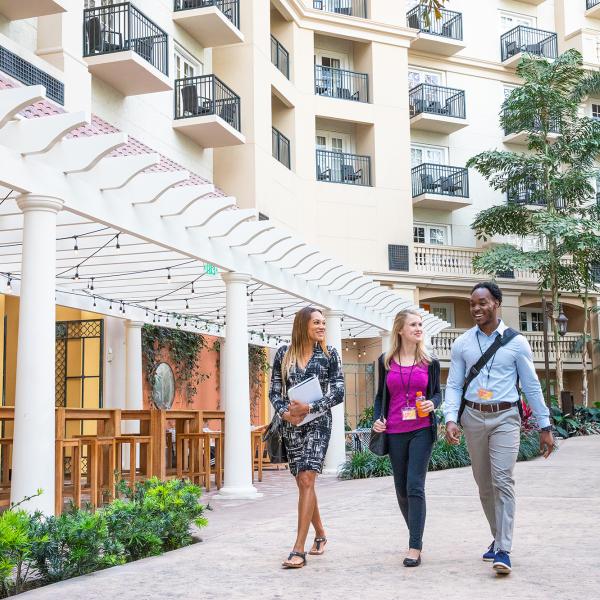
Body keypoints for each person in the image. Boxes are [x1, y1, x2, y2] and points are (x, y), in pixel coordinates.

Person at [444, 281, 555, 575]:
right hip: (472, 418)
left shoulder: (516, 342)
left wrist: (545, 425)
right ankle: (497, 536)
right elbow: (454, 384)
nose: (476, 308)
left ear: (496, 304)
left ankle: (503, 549)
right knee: (484, 485)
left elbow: (531, 386)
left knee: (502, 480)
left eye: (482, 302)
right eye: (472, 304)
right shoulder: (463, 343)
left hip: (505, 417)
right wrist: (451, 418)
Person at [269, 306, 345, 569]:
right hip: (292, 425)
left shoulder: (329, 354)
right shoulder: (283, 354)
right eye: (317, 322)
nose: (322, 326)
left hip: (318, 423)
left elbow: (338, 392)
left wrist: (310, 408)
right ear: (303, 325)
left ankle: (298, 549)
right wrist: (285, 413)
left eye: (324, 322)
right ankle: (321, 535)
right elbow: (274, 391)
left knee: (307, 477)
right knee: (303, 484)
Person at [372, 309, 441, 567]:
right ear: (400, 329)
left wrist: (433, 405)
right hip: (395, 431)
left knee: (415, 485)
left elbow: (437, 395)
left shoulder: (430, 361)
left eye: (420, 324)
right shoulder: (385, 361)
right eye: (413, 324)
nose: (418, 328)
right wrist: (377, 419)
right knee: (401, 490)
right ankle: (416, 530)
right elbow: (381, 397)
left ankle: (415, 545)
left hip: (422, 429)